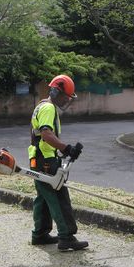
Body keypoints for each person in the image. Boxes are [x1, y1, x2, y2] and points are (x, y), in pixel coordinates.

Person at [28, 75, 88, 251]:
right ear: (56, 91)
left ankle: (40, 234)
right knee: (59, 197)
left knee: (43, 198)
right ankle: (66, 237)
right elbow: (46, 134)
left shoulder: (41, 106)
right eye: (65, 96)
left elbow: (43, 135)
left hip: (38, 159)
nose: (66, 100)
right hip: (45, 161)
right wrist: (66, 148)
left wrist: (61, 149)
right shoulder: (48, 108)